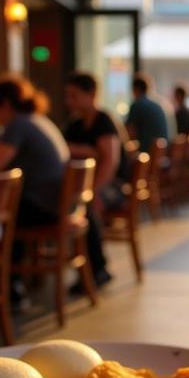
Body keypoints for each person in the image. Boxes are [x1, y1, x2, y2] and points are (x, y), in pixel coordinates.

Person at [63, 72, 130, 287]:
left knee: (86, 206)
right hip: (83, 186)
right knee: (76, 204)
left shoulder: (104, 121)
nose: (69, 101)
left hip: (114, 187)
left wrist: (93, 190)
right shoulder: (75, 124)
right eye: (68, 96)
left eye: (74, 95)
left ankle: (97, 269)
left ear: (91, 94)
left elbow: (110, 163)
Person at [0, 75, 69, 227]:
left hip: (41, 206)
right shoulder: (39, 120)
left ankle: (5, 251)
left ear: (5, 104)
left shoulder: (18, 125)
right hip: (58, 203)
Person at [126, 73, 169, 152]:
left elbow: (129, 134)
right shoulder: (157, 106)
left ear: (135, 89)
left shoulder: (137, 105)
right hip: (161, 155)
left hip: (146, 155)